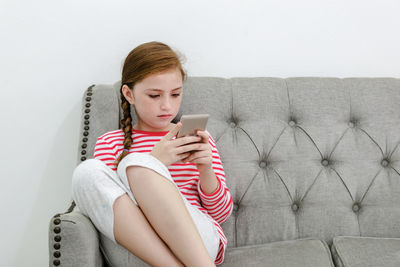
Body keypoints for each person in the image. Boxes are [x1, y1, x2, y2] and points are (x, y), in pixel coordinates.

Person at [71, 41, 233, 267]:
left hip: (198, 244)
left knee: (137, 162)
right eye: (155, 96)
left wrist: (206, 171)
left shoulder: (197, 137)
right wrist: (154, 163)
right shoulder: (110, 142)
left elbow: (221, 215)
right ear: (129, 94)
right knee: (85, 172)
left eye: (175, 94)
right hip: (141, 243)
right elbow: (109, 207)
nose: (167, 106)